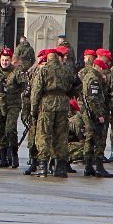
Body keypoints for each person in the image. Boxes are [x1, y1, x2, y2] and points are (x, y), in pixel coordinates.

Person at [31, 49, 77, 178]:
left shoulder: (44, 71)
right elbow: (75, 85)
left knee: (44, 135)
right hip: (63, 104)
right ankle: (61, 167)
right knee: (61, 135)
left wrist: (33, 110)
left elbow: (36, 91)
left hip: (47, 104)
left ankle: (43, 166)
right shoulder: (66, 71)